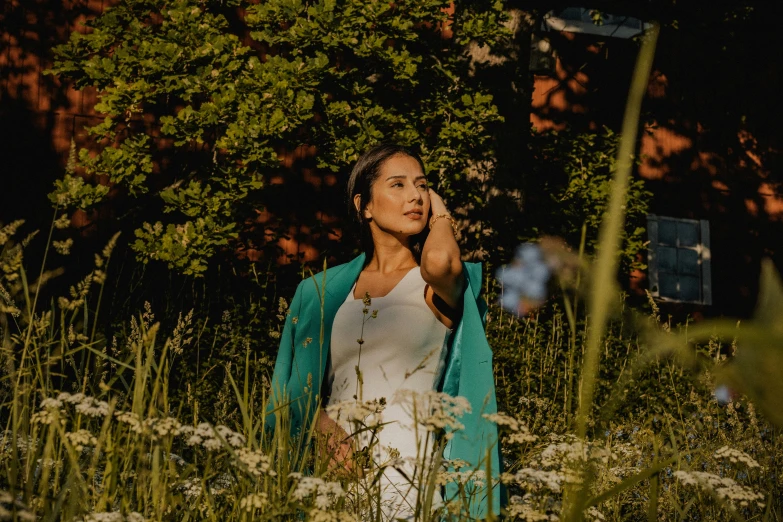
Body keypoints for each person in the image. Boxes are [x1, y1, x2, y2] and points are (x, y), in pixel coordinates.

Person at [266, 143, 501, 519]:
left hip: (409, 484)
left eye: (422, 185)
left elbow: (439, 260)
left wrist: (441, 217)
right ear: (365, 206)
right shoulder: (322, 293)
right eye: (398, 185)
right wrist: (322, 428)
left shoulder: (431, 285)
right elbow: (295, 388)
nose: (416, 196)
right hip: (332, 484)